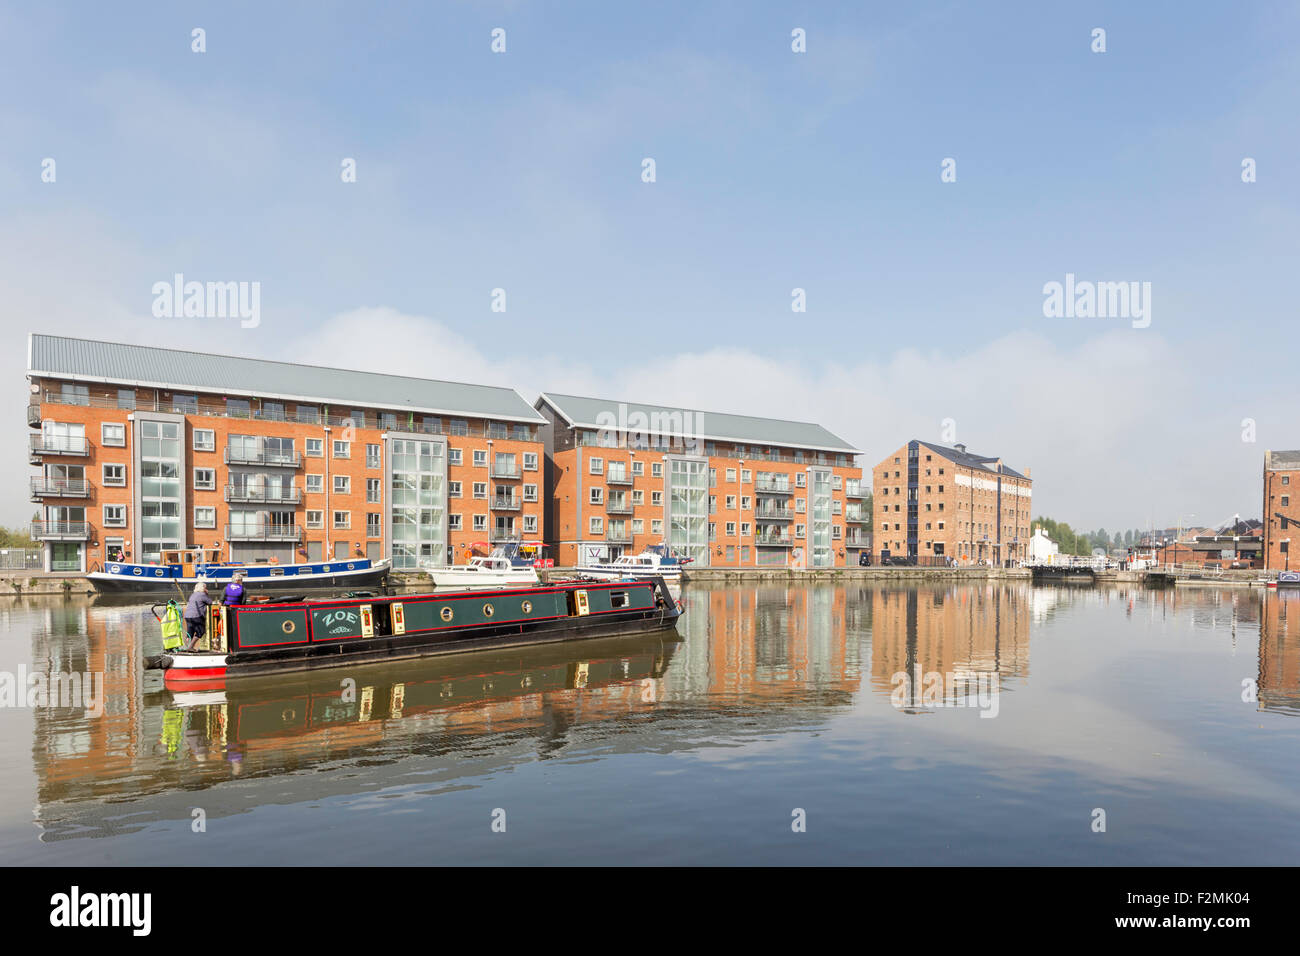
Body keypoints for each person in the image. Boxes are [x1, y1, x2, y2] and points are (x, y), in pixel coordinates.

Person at [182, 581, 212, 651]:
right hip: (197, 616)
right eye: (205, 588)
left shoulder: (193, 594)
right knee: (200, 631)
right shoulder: (202, 594)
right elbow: (210, 602)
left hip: (188, 616)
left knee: (190, 632)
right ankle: (190, 647)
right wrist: (206, 594)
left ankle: (185, 647)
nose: (206, 589)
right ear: (203, 589)